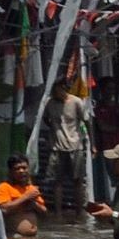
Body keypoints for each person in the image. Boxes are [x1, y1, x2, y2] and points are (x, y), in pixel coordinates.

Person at [41, 80, 90, 223]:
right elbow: (45, 119)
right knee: (57, 181)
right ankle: (58, 213)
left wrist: (91, 143)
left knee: (78, 181)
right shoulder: (50, 103)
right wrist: (54, 130)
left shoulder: (76, 102)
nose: (56, 94)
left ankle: (80, 212)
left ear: (64, 89)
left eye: (58, 90)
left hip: (75, 146)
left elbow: (86, 121)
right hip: (57, 147)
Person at [0, 155, 46, 239]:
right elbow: (4, 209)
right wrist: (25, 197)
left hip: (33, 238)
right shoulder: (4, 187)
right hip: (14, 237)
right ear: (10, 171)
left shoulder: (31, 189)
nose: (22, 171)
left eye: (24, 168)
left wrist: (34, 205)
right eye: (17, 168)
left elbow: (44, 212)